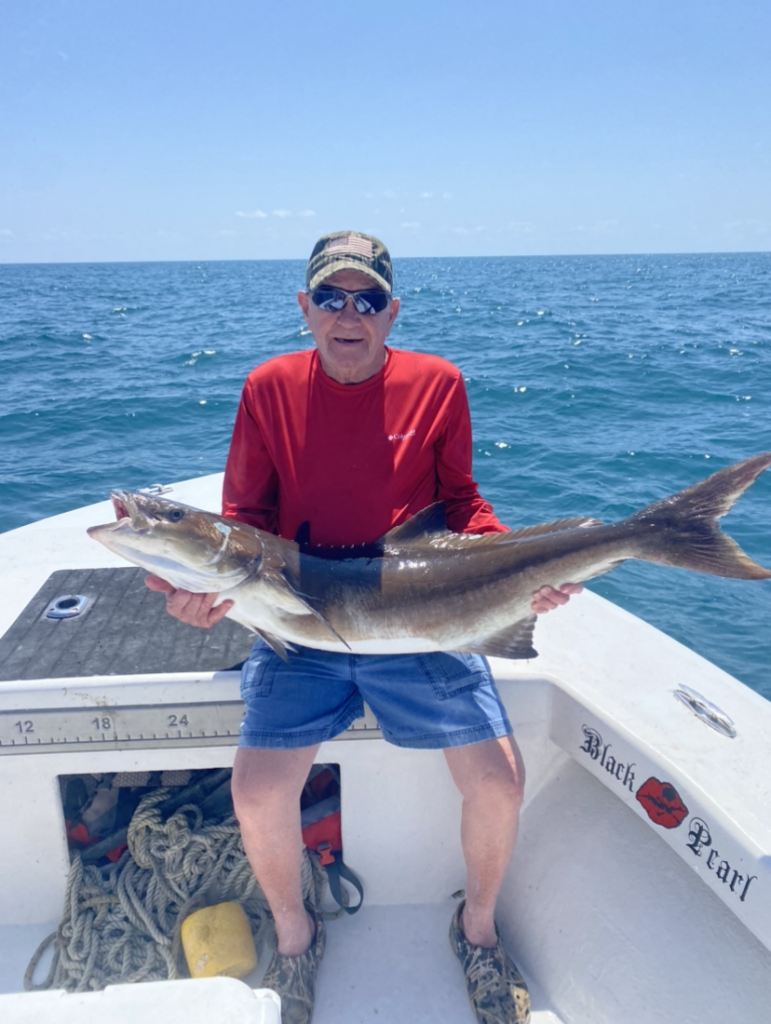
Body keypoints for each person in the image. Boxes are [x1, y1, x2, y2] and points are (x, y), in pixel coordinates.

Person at [146, 231, 581, 1024]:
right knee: (255, 791)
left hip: (413, 611)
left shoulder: (437, 383)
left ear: (391, 310)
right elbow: (243, 517)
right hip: (302, 617)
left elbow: (461, 506)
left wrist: (511, 575)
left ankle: (476, 931)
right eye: (333, 297)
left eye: (369, 298)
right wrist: (208, 596)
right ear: (305, 307)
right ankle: (293, 934)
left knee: (498, 782)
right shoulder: (267, 386)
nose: (351, 314)